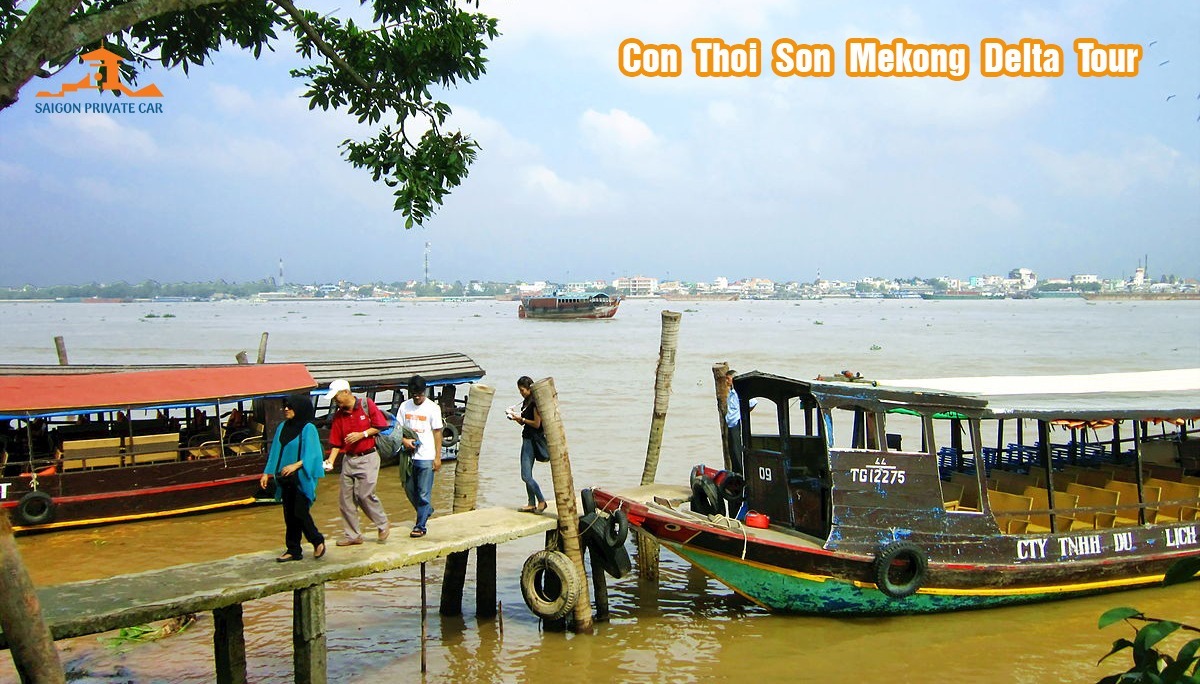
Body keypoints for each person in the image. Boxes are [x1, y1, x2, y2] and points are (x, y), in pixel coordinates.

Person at [323, 379, 391, 546]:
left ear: (346, 392)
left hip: (368, 457)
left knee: (364, 494)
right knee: (345, 499)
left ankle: (382, 524)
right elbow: (337, 442)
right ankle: (353, 535)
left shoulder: (366, 405)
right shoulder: (339, 415)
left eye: (336, 396)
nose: (335, 401)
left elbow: (380, 425)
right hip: (349, 459)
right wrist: (330, 461)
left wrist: (362, 434)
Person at [259, 393, 326, 562]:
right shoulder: (283, 427)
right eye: (285, 406)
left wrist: (295, 465)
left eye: (290, 406)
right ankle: (293, 550)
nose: (286, 409)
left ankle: (317, 540)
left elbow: (314, 454)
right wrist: (267, 473)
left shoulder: (308, 428)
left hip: (301, 477)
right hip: (285, 479)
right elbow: (275, 451)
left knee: (300, 511)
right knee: (289, 514)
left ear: (300, 409)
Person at [399, 375, 443, 538]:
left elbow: (438, 433)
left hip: (426, 456)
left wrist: (437, 457)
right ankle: (427, 510)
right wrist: (404, 441)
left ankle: (420, 526)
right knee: (409, 489)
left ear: (424, 392)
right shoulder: (404, 407)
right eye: (414, 394)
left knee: (424, 493)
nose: (417, 397)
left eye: (419, 393)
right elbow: (397, 429)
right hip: (408, 456)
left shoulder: (432, 408)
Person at [508, 376, 548, 513]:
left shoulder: (535, 403)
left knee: (525, 476)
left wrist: (522, 418)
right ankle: (531, 502)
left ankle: (541, 500)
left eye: (522, 390)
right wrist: (515, 417)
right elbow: (525, 422)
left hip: (532, 440)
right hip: (526, 438)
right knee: (527, 474)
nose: (521, 393)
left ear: (529, 388)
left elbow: (537, 424)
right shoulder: (526, 401)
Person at [723, 369, 757, 474]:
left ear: (733, 379)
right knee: (732, 449)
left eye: (728, 379)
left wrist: (743, 414)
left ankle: (740, 473)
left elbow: (753, 402)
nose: (726, 382)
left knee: (737, 449)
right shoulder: (731, 393)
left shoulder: (739, 392)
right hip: (730, 423)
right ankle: (735, 471)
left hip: (736, 423)